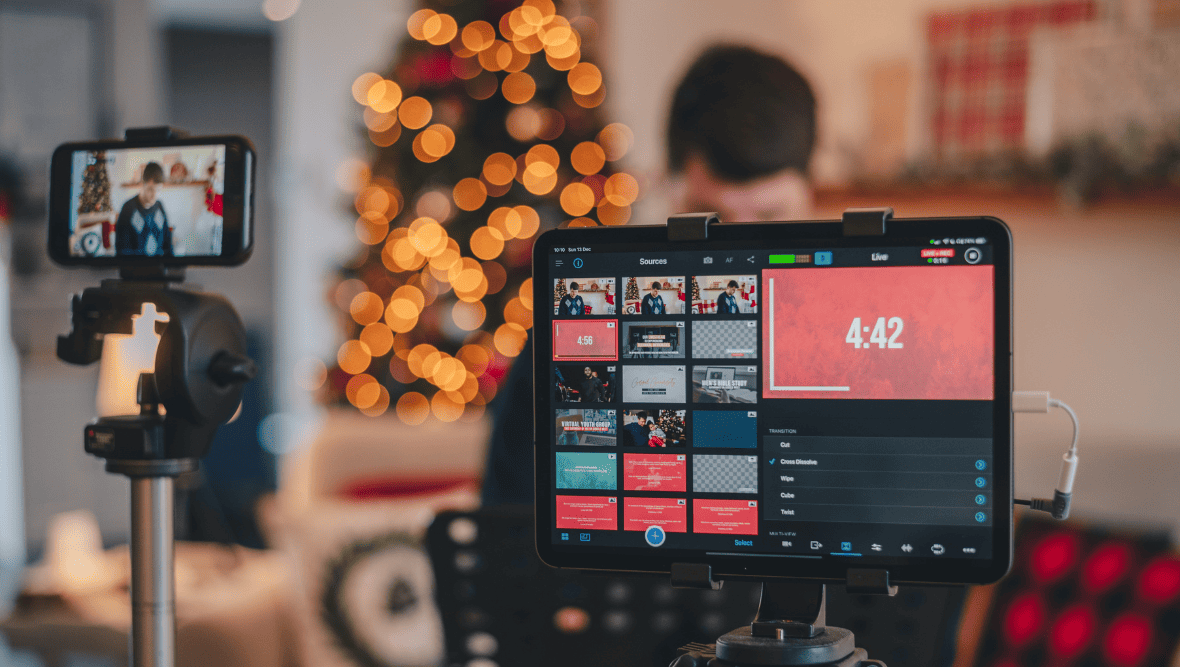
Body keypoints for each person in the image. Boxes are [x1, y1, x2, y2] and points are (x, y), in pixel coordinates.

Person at [482, 44, 817, 506]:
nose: (738, 265)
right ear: (668, 186)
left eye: (769, 216)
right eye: (710, 217)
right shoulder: (574, 335)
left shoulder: (864, 342)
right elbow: (511, 523)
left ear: (812, 195)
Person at [115, 162, 172, 257]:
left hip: (159, 268)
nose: (154, 196)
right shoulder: (128, 209)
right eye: (150, 189)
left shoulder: (160, 206)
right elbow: (122, 250)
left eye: (158, 190)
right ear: (142, 184)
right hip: (136, 269)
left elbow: (168, 244)